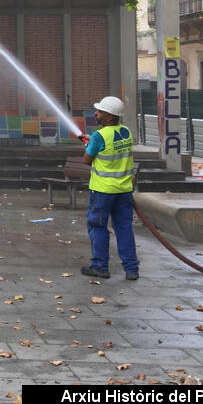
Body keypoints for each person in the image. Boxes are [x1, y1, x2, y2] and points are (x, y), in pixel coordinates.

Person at [80, 96, 140, 280]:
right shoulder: (126, 132)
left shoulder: (99, 136)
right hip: (123, 191)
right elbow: (110, 148)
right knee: (124, 228)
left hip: (102, 192)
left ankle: (100, 266)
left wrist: (90, 144)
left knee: (97, 226)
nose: (95, 113)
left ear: (108, 117)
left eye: (99, 111)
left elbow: (87, 160)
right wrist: (92, 143)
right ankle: (131, 269)